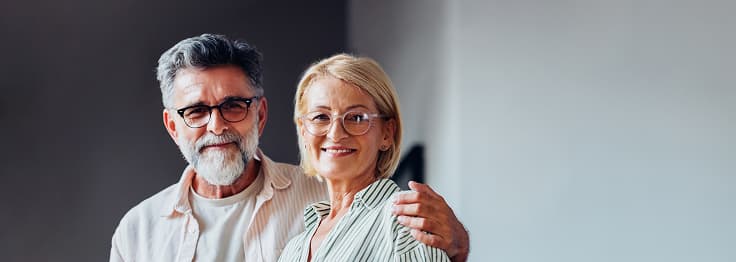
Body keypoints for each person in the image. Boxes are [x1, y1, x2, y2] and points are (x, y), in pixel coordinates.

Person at [109, 34, 469, 262]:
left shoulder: (388, 215)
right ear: (173, 126)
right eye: (197, 111)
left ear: (260, 114)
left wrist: (457, 245)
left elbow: (433, 243)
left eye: (234, 106)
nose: (216, 126)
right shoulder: (137, 231)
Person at [277, 54, 449, 261]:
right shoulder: (293, 248)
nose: (335, 133)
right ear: (304, 132)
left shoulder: (407, 225)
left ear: (387, 133)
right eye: (321, 117)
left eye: (357, 118)